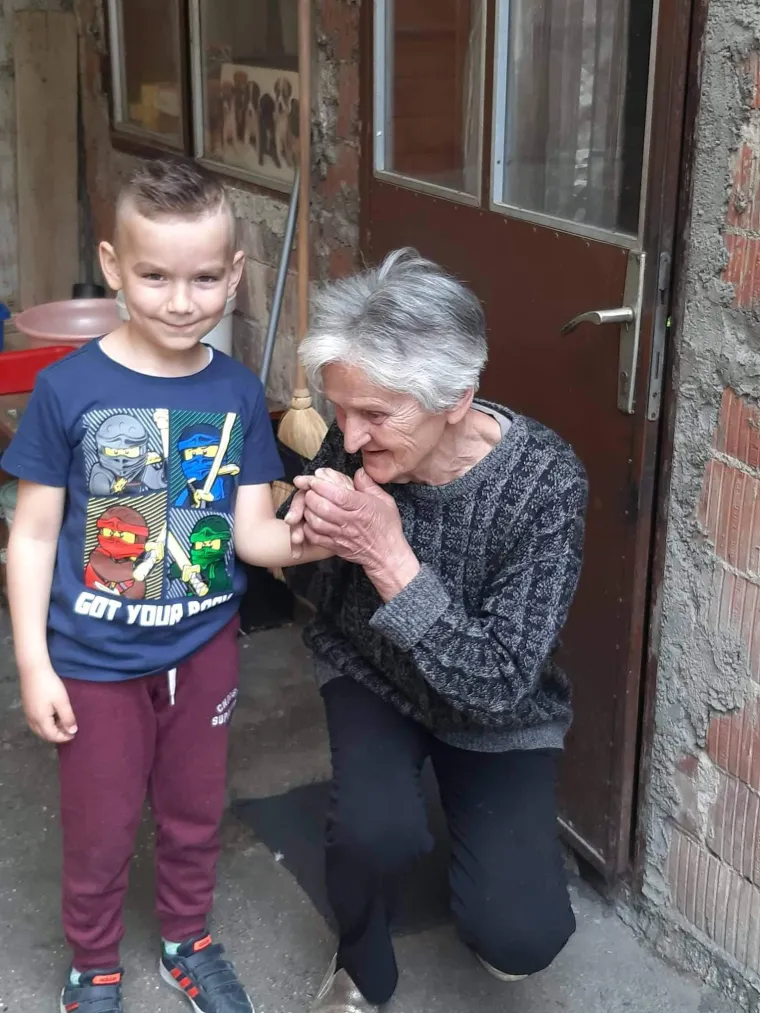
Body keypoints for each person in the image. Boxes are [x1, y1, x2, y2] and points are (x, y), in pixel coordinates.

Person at [2, 158, 328, 1013]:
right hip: (96, 661)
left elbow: (253, 535)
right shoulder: (67, 388)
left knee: (193, 811)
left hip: (204, 652)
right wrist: (35, 664)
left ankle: (188, 937)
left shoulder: (237, 391)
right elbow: (33, 535)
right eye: (154, 276)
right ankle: (93, 964)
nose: (181, 301)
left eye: (203, 278)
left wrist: (317, 534)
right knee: (101, 825)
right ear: (112, 266)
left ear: (234, 274)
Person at [281, 249, 588, 1012]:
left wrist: (390, 557)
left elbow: (500, 681)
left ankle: (495, 844)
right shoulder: (355, 436)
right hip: (373, 668)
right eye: (338, 409)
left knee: (521, 936)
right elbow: (312, 580)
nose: (347, 439)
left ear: (456, 397)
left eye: (376, 416)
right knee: (372, 832)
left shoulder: (546, 482)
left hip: (495, 708)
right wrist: (305, 531)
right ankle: (360, 966)